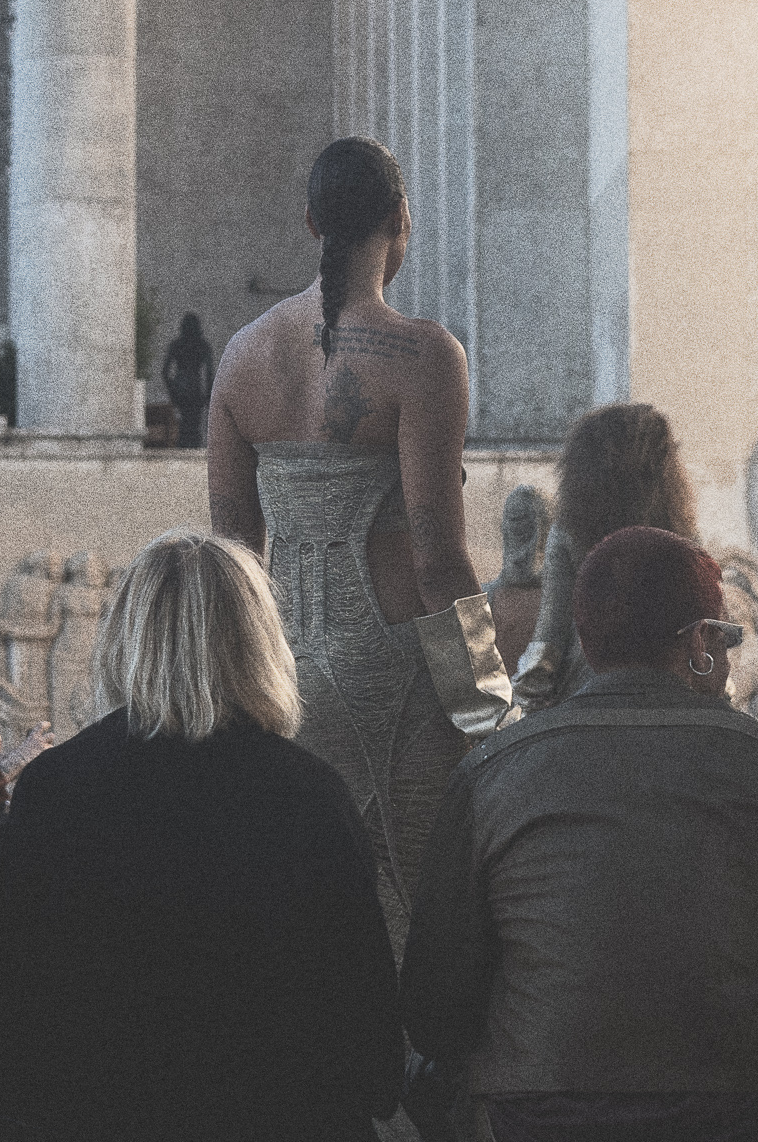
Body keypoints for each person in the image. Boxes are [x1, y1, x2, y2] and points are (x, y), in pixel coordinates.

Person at [0, 529, 402, 1142]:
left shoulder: (56, 789)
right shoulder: (309, 795)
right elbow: (364, 1017)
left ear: (124, 638)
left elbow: (13, 1001)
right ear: (258, 643)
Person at [403, 526, 758, 1142]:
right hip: (726, 1104)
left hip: (543, 1108)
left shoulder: (495, 769)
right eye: (726, 637)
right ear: (700, 641)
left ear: (587, 642)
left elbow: (435, 999)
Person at [207, 135, 514, 944]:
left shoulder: (242, 357)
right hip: (399, 681)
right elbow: (439, 561)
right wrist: (491, 704)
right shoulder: (425, 356)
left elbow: (232, 558)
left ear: (311, 222)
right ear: (402, 217)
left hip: (284, 677)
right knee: (411, 914)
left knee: (304, 918)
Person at [513, 404, 698, 711]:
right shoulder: (682, 531)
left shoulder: (569, 530)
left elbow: (551, 631)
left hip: (589, 689)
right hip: (668, 690)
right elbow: (702, 621)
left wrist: (527, 698)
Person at [482, 483, 549, 676]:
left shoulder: (562, 598)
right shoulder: (486, 597)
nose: (516, 524)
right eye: (513, 521)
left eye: (526, 528)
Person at [161, 311, 216, 448]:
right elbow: (209, 373)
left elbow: (165, 372)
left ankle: (184, 447)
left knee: (183, 424)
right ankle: (193, 448)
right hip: (195, 387)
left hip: (180, 386)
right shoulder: (203, 345)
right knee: (194, 425)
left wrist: (172, 390)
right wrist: (208, 395)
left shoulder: (176, 344)